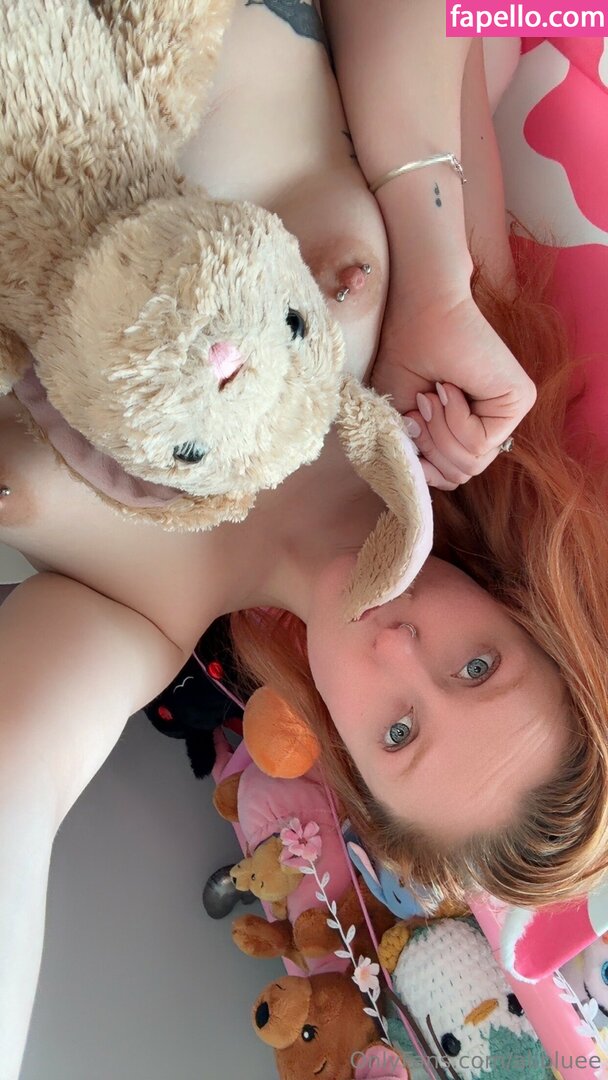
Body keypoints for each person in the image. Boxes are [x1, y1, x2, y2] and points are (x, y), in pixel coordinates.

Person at [0, 1, 593, 1076]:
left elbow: (12, 791)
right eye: (476, 665)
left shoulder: (137, 621)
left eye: (400, 731)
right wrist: (433, 277)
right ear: (514, 605)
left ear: (349, 760)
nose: (399, 649)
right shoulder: (452, 352)